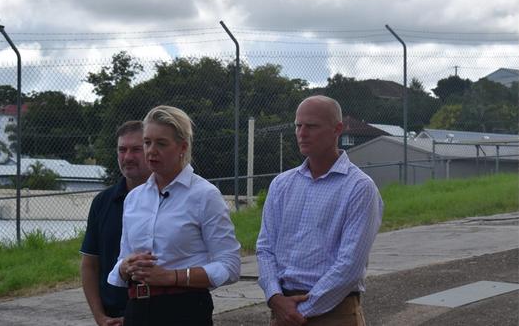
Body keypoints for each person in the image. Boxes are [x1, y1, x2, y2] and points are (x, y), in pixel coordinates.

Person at [108, 105, 241, 326]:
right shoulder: (134, 198)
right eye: (147, 142)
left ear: (182, 147)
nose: (151, 151)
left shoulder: (204, 195)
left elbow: (229, 266)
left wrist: (172, 276)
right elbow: (123, 258)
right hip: (137, 309)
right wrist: (125, 267)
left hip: (185, 309)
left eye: (161, 143)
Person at [256, 95, 384, 326]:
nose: (302, 133)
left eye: (312, 126)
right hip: (283, 308)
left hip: (333, 313)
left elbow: (350, 266)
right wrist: (274, 296)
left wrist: (300, 311)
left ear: (337, 129)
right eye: (298, 125)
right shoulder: (281, 185)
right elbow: (265, 248)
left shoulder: (359, 188)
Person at [80, 121, 152, 326]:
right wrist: (100, 317)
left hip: (159, 312)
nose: (128, 157)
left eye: (136, 149)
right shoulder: (103, 202)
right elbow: (90, 266)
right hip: (114, 317)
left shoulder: (173, 199)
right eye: (122, 150)